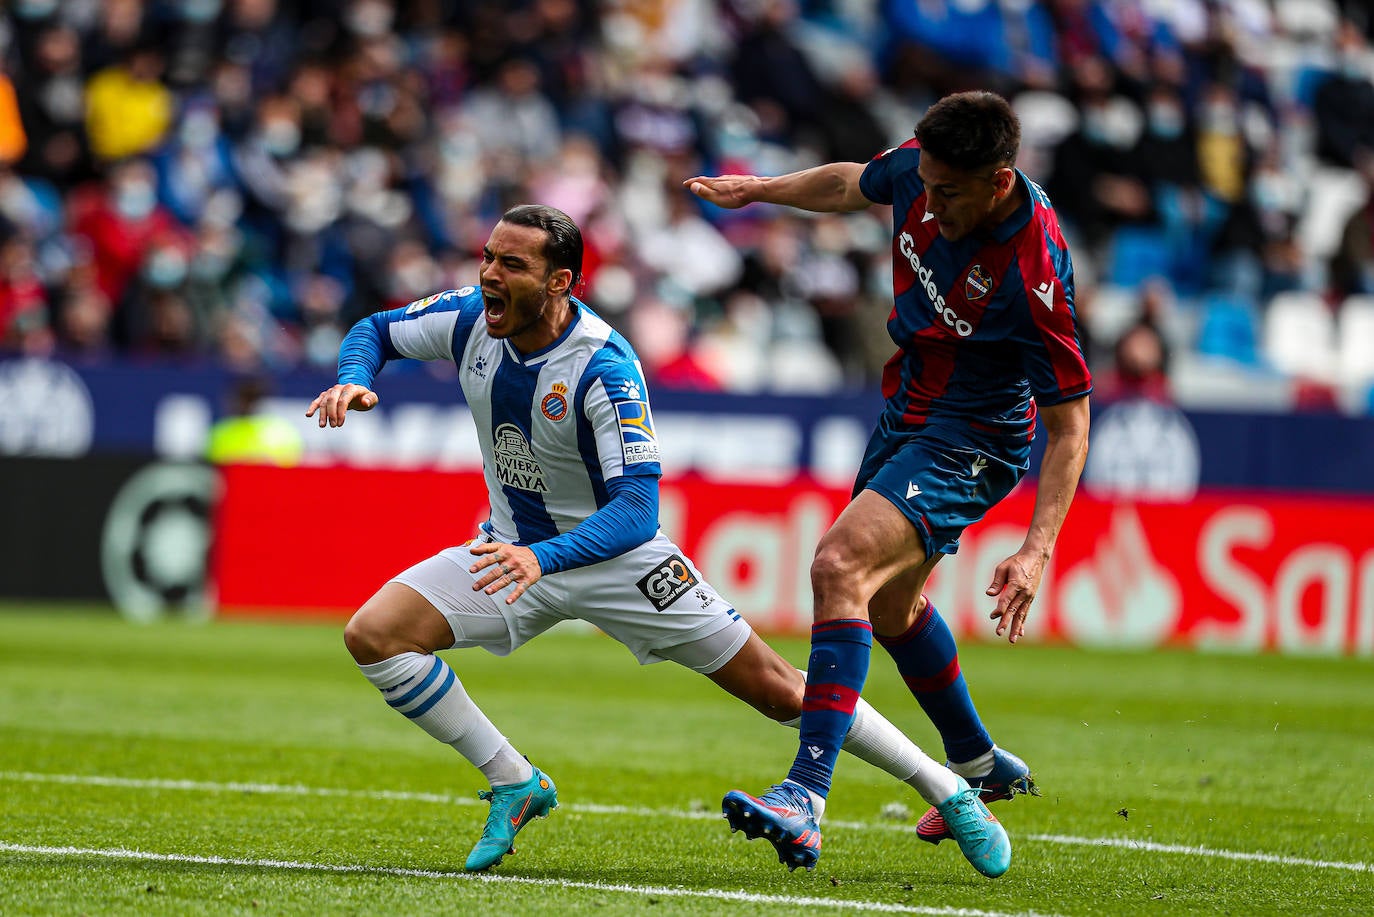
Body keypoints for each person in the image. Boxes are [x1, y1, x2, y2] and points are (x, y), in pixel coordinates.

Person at [305, 204, 1011, 877]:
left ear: (559, 282)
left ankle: (950, 789)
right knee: (376, 634)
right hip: (511, 549)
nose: (490, 273)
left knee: (779, 689)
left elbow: (639, 509)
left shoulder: (602, 367)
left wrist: (540, 556)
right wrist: (353, 380)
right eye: (488, 257)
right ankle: (514, 781)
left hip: (619, 562)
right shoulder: (468, 319)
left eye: (511, 264)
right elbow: (375, 328)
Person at [685, 90, 1092, 871]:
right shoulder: (921, 166)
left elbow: (1070, 426)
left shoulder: (1035, 273)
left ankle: (805, 794)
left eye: (948, 194)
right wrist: (759, 188)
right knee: (892, 605)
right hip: (907, 406)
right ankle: (978, 765)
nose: (929, 208)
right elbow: (849, 185)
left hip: (977, 435)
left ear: (1000, 180)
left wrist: (1037, 549)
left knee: (838, 565)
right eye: (925, 186)